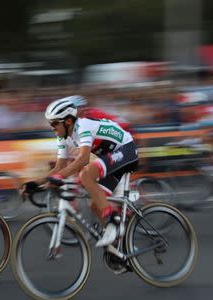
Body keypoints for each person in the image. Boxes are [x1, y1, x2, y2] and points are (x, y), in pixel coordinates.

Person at [23, 96, 139, 247]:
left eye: (54, 123)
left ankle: (113, 221)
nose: (52, 127)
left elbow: (83, 159)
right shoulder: (63, 137)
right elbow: (59, 168)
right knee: (94, 204)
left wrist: (58, 177)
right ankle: (120, 248)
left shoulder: (83, 126)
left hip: (126, 150)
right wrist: (35, 184)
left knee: (85, 174)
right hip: (112, 157)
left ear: (68, 121)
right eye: (50, 123)